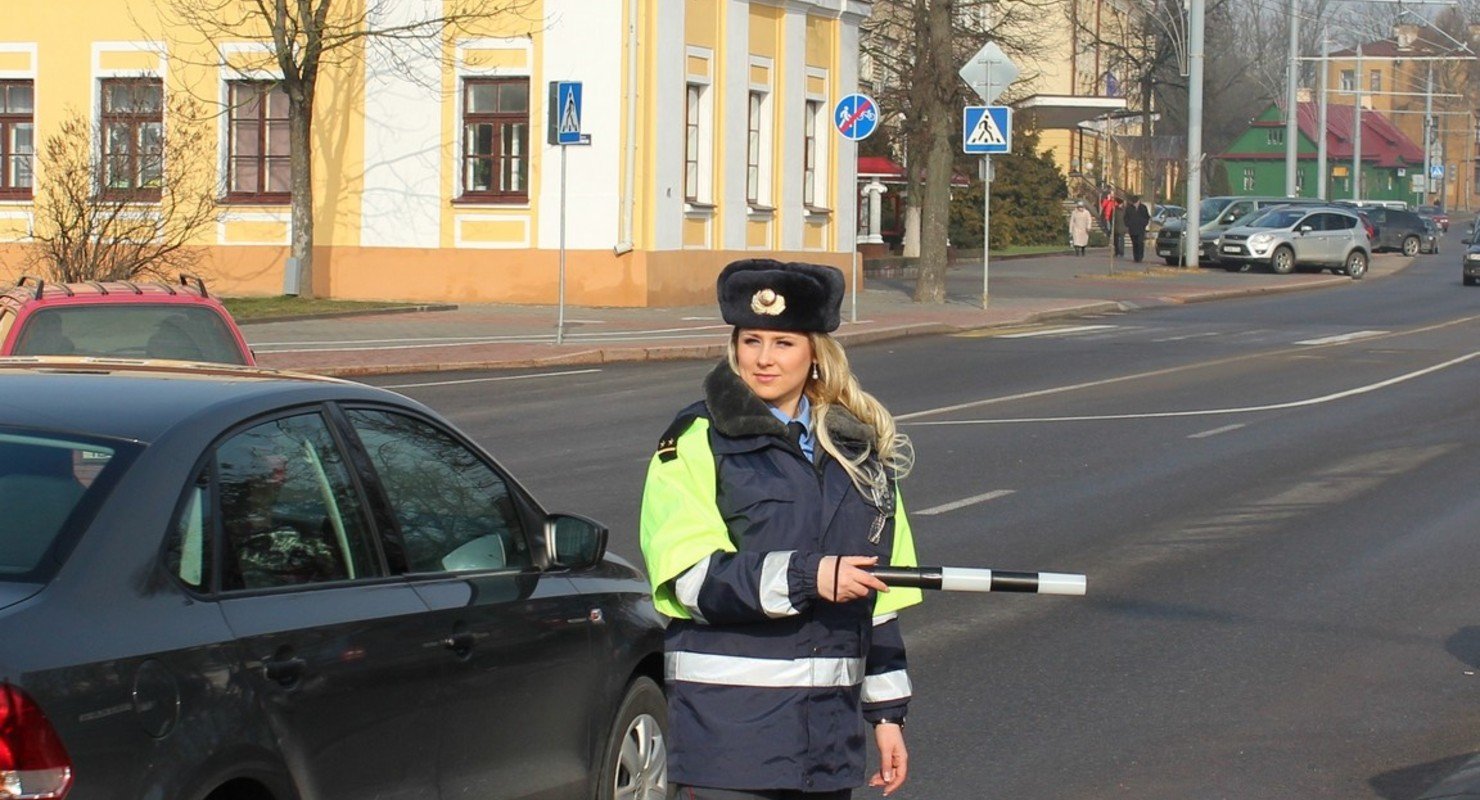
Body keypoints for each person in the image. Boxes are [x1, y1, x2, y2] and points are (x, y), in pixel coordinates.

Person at [640, 259, 923, 799]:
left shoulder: (859, 450)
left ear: (816, 353)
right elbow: (687, 581)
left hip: (828, 744)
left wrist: (887, 716)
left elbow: (881, 599)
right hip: (730, 738)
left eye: (783, 343)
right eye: (751, 341)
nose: (764, 359)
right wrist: (806, 577)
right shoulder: (696, 438)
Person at [1125, 195, 1151, 263]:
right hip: (1132, 229)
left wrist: (1144, 224)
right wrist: (1128, 224)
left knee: (1140, 243)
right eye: (1134, 202)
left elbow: (1147, 217)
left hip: (1141, 229)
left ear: (1139, 201)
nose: (1135, 204)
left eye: (1136, 202)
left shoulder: (1143, 208)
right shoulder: (1129, 208)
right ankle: (1136, 257)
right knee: (1135, 243)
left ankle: (1140, 257)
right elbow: (1125, 218)